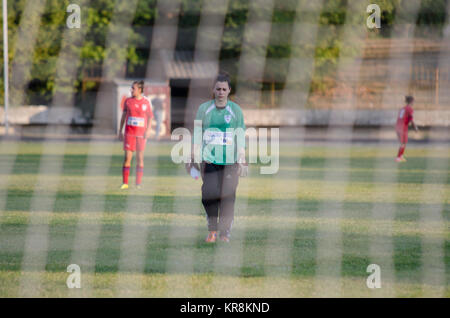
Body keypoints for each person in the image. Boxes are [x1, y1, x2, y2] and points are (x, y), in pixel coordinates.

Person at [188, 72, 248, 243]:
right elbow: (197, 133)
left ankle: (224, 233)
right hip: (209, 159)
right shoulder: (203, 109)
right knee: (209, 194)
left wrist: (242, 157)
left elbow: (240, 135)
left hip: (231, 161)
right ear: (213, 90)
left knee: (228, 197)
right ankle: (212, 230)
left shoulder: (236, 110)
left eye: (224, 89)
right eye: (218, 89)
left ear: (229, 90)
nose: (221, 92)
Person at [118, 80, 153, 189]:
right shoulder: (128, 101)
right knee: (127, 158)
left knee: (140, 158)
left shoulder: (146, 102)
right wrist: (120, 131)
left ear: (140, 90)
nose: (131, 90)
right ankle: (125, 183)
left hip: (141, 135)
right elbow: (123, 116)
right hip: (129, 134)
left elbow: (150, 117)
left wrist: (148, 130)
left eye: (133, 88)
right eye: (131, 88)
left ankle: (138, 184)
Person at [395, 95, 418, 162]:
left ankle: (401, 156)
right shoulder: (409, 109)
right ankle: (398, 158)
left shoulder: (403, 108)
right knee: (403, 143)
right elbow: (411, 119)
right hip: (402, 127)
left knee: (404, 142)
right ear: (411, 101)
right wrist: (415, 127)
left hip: (398, 126)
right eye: (413, 101)